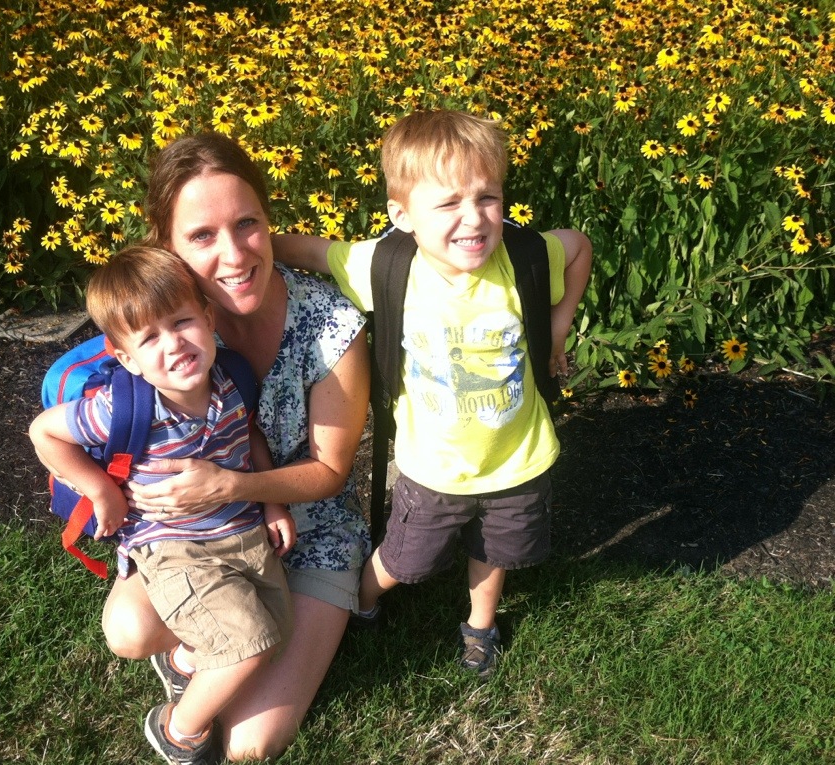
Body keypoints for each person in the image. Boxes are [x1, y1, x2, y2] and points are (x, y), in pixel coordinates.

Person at [273, 109, 593, 678]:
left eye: (488, 197)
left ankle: (480, 626)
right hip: (432, 468)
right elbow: (314, 253)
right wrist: (247, 247)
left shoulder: (524, 256)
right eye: (448, 204)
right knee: (404, 558)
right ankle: (362, 599)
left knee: (495, 549)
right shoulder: (385, 265)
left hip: (516, 459)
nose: (474, 218)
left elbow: (579, 246)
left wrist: (560, 323)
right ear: (402, 216)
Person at [102, 133, 372, 761]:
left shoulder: (329, 324)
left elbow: (330, 471)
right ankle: (191, 656)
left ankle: (211, 656)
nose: (233, 253)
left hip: (310, 530)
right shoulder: (166, 328)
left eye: (247, 223)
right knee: (130, 628)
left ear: (269, 221)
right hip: (198, 536)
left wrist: (233, 485)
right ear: (167, 246)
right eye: (202, 235)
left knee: (251, 745)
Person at [30, 244, 298, 765]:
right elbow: (44, 432)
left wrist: (271, 502)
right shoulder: (124, 407)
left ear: (208, 318)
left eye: (181, 323)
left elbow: (248, 436)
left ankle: (185, 660)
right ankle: (180, 730)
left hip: (242, 530)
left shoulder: (231, 378)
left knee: (277, 629)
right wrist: (101, 490)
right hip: (173, 547)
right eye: (149, 338)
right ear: (126, 358)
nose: (173, 344)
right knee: (249, 644)